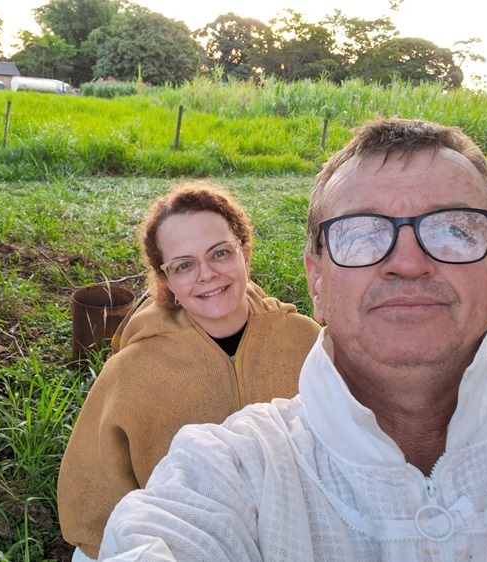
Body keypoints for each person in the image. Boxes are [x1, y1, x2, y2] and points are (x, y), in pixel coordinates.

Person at [98, 118, 487, 561]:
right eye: (361, 234)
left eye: (453, 230)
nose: (408, 262)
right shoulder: (231, 463)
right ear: (316, 282)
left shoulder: (294, 336)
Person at [57, 181, 321, 560]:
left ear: (244, 254)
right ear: (166, 280)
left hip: (301, 537)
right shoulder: (131, 371)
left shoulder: (305, 342)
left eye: (219, 253)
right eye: (184, 265)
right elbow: (92, 502)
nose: (207, 274)